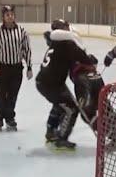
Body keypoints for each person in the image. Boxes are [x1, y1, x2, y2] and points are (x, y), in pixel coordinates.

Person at [37, 19, 89, 150]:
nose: (68, 28)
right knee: (71, 108)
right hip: (51, 84)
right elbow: (84, 58)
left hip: (45, 82)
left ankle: (50, 132)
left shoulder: (55, 43)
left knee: (60, 105)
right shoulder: (67, 44)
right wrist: (90, 60)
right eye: (65, 27)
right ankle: (61, 138)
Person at [0, 5, 33, 131]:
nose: (10, 16)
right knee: (1, 95)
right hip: (2, 68)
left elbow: (26, 50)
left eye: (12, 14)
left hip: (16, 68)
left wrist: (29, 67)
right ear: (3, 17)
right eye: (7, 14)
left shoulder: (22, 31)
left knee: (13, 95)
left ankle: (9, 118)